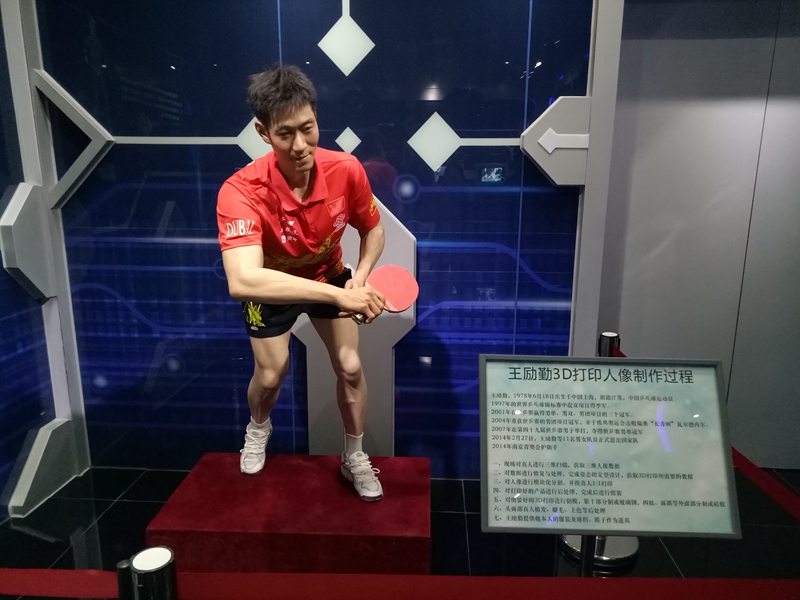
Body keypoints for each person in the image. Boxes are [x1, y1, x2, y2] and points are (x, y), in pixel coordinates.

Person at [216, 65, 387, 502]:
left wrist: (359, 278)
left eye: (307, 129)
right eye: (285, 134)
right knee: (271, 375)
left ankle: (354, 455)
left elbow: (373, 228)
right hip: (272, 285)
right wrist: (338, 295)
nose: (299, 146)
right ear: (263, 132)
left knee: (350, 366)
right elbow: (242, 280)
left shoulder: (346, 169)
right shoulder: (240, 191)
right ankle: (258, 428)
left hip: (329, 272)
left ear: (316, 117)